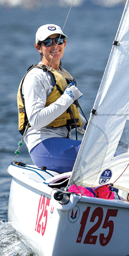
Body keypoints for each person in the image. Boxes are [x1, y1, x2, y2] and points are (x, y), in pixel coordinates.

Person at [17, 24, 85, 173]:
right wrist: (67, 98)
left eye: (59, 40)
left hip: (61, 144)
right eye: (48, 42)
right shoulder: (36, 77)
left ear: (64, 43)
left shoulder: (62, 74)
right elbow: (36, 120)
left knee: (111, 153)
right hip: (43, 146)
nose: (55, 45)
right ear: (38, 47)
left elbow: (66, 113)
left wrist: (87, 126)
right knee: (103, 157)